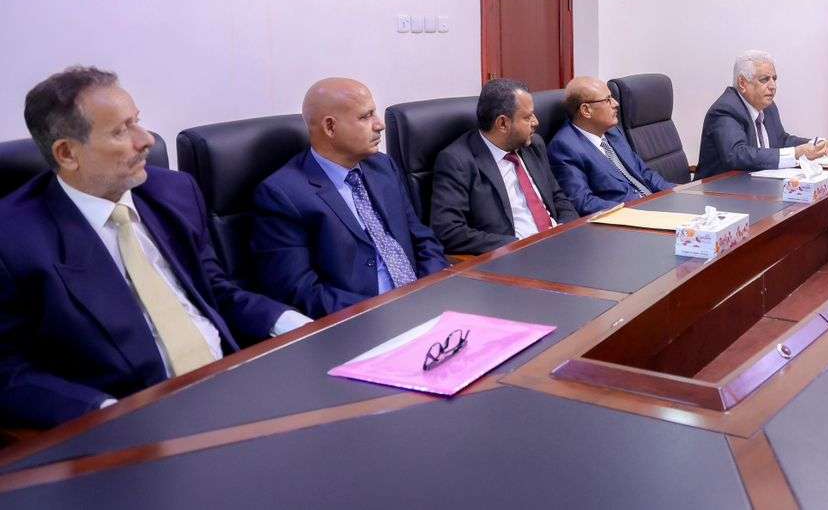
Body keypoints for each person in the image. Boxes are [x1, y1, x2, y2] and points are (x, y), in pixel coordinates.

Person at [0, 67, 310, 428]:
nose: (146, 139)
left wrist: (299, 325)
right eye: (121, 131)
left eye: (137, 121)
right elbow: (10, 372)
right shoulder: (14, 238)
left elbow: (213, 289)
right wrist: (103, 412)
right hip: (135, 419)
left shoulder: (173, 192)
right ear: (67, 153)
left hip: (231, 384)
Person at [252, 78, 449, 318]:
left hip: (425, 302)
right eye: (366, 117)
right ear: (330, 127)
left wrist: (431, 288)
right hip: (363, 320)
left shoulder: (382, 166)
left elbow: (421, 237)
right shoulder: (282, 194)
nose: (379, 125)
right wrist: (384, 311)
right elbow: (299, 290)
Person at [430, 78, 578, 255]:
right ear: (502, 124)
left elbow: (557, 196)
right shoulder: (458, 161)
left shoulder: (533, 145)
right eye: (527, 117)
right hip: (515, 256)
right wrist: (520, 245)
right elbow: (449, 231)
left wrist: (566, 229)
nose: (536, 122)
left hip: (560, 245)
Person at [695, 50, 828, 180]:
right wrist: (796, 154)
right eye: (764, 80)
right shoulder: (726, 110)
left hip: (756, 189)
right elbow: (737, 155)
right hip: (719, 193)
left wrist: (818, 145)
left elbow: (781, 140)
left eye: (774, 78)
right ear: (742, 83)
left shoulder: (768, 107)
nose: (772, 86)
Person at [548, 76, 674, 215]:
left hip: (654, 207)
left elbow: (644, 173)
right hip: (625, 217)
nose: (615, 103)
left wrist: (678, 192)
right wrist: (637, 211)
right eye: (607, 100)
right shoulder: (564, 147)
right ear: (586, 110)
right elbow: (583, 202)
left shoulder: (612, 132)